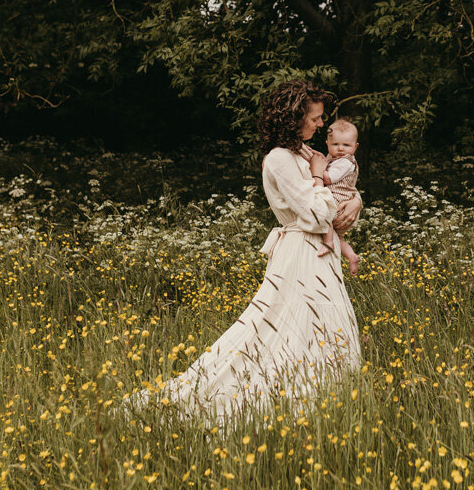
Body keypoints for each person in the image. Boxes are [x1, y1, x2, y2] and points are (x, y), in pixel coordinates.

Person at [119, 80, 363, 426]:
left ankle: (326, 409)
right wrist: (320, 181)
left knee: (326, 328)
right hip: (300, 253)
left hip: (322, 255)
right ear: (295, 118)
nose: (321, 125)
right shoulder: (279, 159)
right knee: (280, 330)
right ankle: (258, 402)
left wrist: (356, 199)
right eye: (316, 119)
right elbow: (315, 214)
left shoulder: (309, 154)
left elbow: (343, 191)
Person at [317, 118, 361, 275]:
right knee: (340, 238)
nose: (341, 149)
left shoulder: (345, 162)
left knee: (323, 210)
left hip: (339, 199)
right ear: (327, 144)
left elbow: (328, 178)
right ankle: (351, 256)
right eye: (336, 144)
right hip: (343, 201)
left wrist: (315, 170)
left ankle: (328, 243)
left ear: (355, 147)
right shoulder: (332, 159)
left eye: (346, 145)